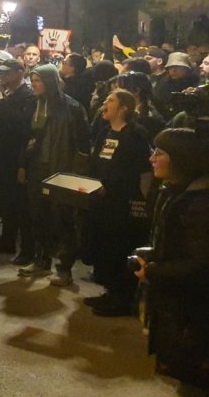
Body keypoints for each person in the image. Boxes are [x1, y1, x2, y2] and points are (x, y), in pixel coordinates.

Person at [136, 128, 209, 388]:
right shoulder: (173, 190)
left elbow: (200, 265)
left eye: (160, 153)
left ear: (181, 158)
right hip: (176, 303)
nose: (152, 158)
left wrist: (153, 272)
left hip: (192, 310)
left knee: (190, 374)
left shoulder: (199, 203)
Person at [18, 64, 90, 286]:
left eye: (38, 80)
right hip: (37, 167)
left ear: (49, 81)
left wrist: (77, 173)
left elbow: (83, 143)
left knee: (63, 220)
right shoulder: (33, 105)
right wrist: (23, 163)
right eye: (33, 80)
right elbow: (25, 137)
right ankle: (41, 260)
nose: (34, 85)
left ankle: (64, 269)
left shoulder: (72, 107)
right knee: (38, 216)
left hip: (62, 168)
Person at [83, 89, 152, 317]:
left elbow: (140, 172)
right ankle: (110, 291)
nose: (104, 103)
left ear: (124, 108)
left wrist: (113, 188)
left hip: (122, 206)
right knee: (103, 248)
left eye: (110, 101)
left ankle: (122, 299)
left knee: (118, 248)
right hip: (101, 203)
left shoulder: (135, 135)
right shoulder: (104, 132)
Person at [0, 59, 35, 262]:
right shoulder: (9, 93)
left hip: (17, 156)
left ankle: (27, 249)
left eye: (7, 73)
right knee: (5, 202)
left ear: (20, 72)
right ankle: (7, 240)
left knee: (21, 205)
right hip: (2, 156)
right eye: (1, 73)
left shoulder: (28, 96)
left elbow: (19, 125)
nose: (3, 77)